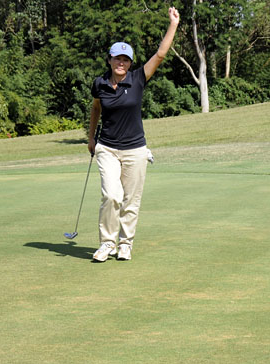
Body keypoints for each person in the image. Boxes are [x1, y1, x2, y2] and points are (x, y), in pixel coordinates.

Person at [87, 7, 180, 262]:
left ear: (130, 63)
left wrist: (173, 24)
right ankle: (107, 243)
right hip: (107, 147)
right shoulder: (100, 83)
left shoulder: (138, 78)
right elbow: (96, 108)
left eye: (125, 60)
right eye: (117, 58)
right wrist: (91, 137)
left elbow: (161, 54)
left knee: (131, 199)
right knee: (111, 195)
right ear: (110, 59)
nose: (121, 63)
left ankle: (125, 244)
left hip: (136, 149)